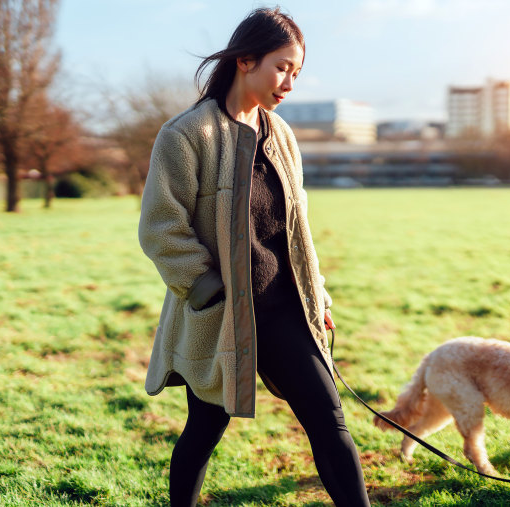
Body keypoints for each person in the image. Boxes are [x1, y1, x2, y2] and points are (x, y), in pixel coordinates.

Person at [137, 7, 371, 507]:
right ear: (245, 60)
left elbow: (297, 229)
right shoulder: (185, 136)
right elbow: (161, 227)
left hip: (286, 311)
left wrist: (318, 294)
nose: (289, 82)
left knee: (330, 424)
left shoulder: (282, 136)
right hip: (221, 316)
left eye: (297, 72)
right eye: (282, 66)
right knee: (203, 429)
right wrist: (207, 288)